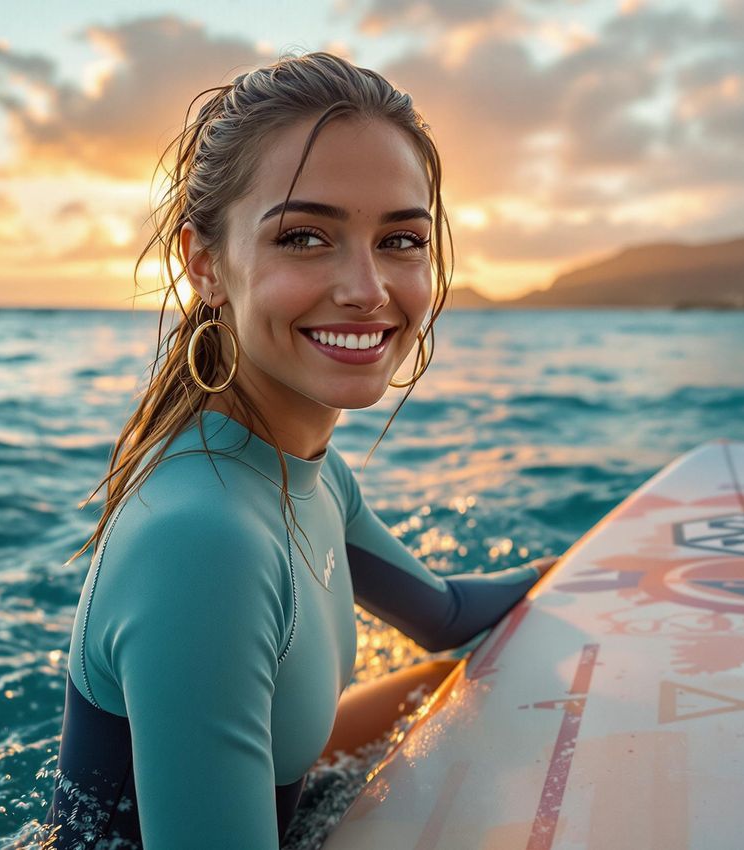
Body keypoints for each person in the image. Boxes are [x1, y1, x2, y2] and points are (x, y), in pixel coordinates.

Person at [42, 52, 554, 848]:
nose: (366, 288)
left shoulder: (311, 476)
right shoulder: (204, 541)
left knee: (464, 684)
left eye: (401, 240)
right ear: (205, 264)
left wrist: (590, 573)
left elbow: (446, 615)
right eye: (307, 236)